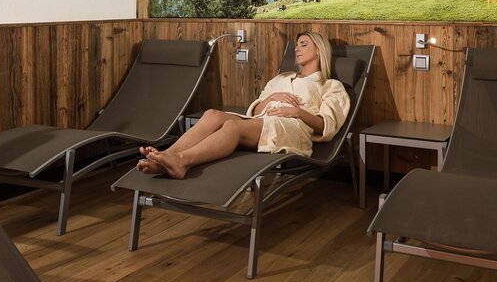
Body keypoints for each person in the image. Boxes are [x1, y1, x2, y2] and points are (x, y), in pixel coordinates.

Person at [137, 32, 350, 179]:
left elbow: (326, 126)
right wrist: (271, 99)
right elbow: (255, 111)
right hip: (261, 120)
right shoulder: (281, 78)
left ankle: (182, 161)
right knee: (212, 114)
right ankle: (166, 156)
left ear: (319, 51)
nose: (297, 49)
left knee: (233, 127)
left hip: (292, 128)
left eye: (303, 44)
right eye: (296, 45)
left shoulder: (330, 85)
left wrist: (296, 112)